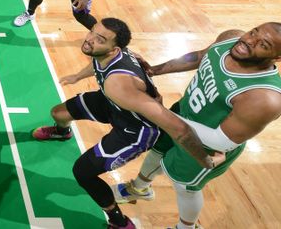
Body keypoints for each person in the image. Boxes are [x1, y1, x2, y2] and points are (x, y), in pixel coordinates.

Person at [33, 18, 215, 229]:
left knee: (82, 172)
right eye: (92, 31)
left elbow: (178, 127)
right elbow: (96, 64)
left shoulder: (119, 85)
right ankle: (62, 132)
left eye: (100, 39)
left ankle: (119, 221)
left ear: (114, 49)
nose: (90, 39)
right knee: (58, 113)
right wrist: (77, 76)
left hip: (135, 131)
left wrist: (205, 159)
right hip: (114, 105)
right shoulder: (109, 53)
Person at [112, 23, 281, 229]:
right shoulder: (231, 38)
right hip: (181, 113)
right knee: (156, 152)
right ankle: (140, 188)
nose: (249, 41)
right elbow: (201, 56)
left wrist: (159, 113)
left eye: (263, 44)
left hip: (207, 144)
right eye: (254, 32)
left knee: (185, 187)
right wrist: (154, 70)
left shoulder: (265, 98)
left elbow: (222, 141)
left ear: (277, 57)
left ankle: (186, 227)